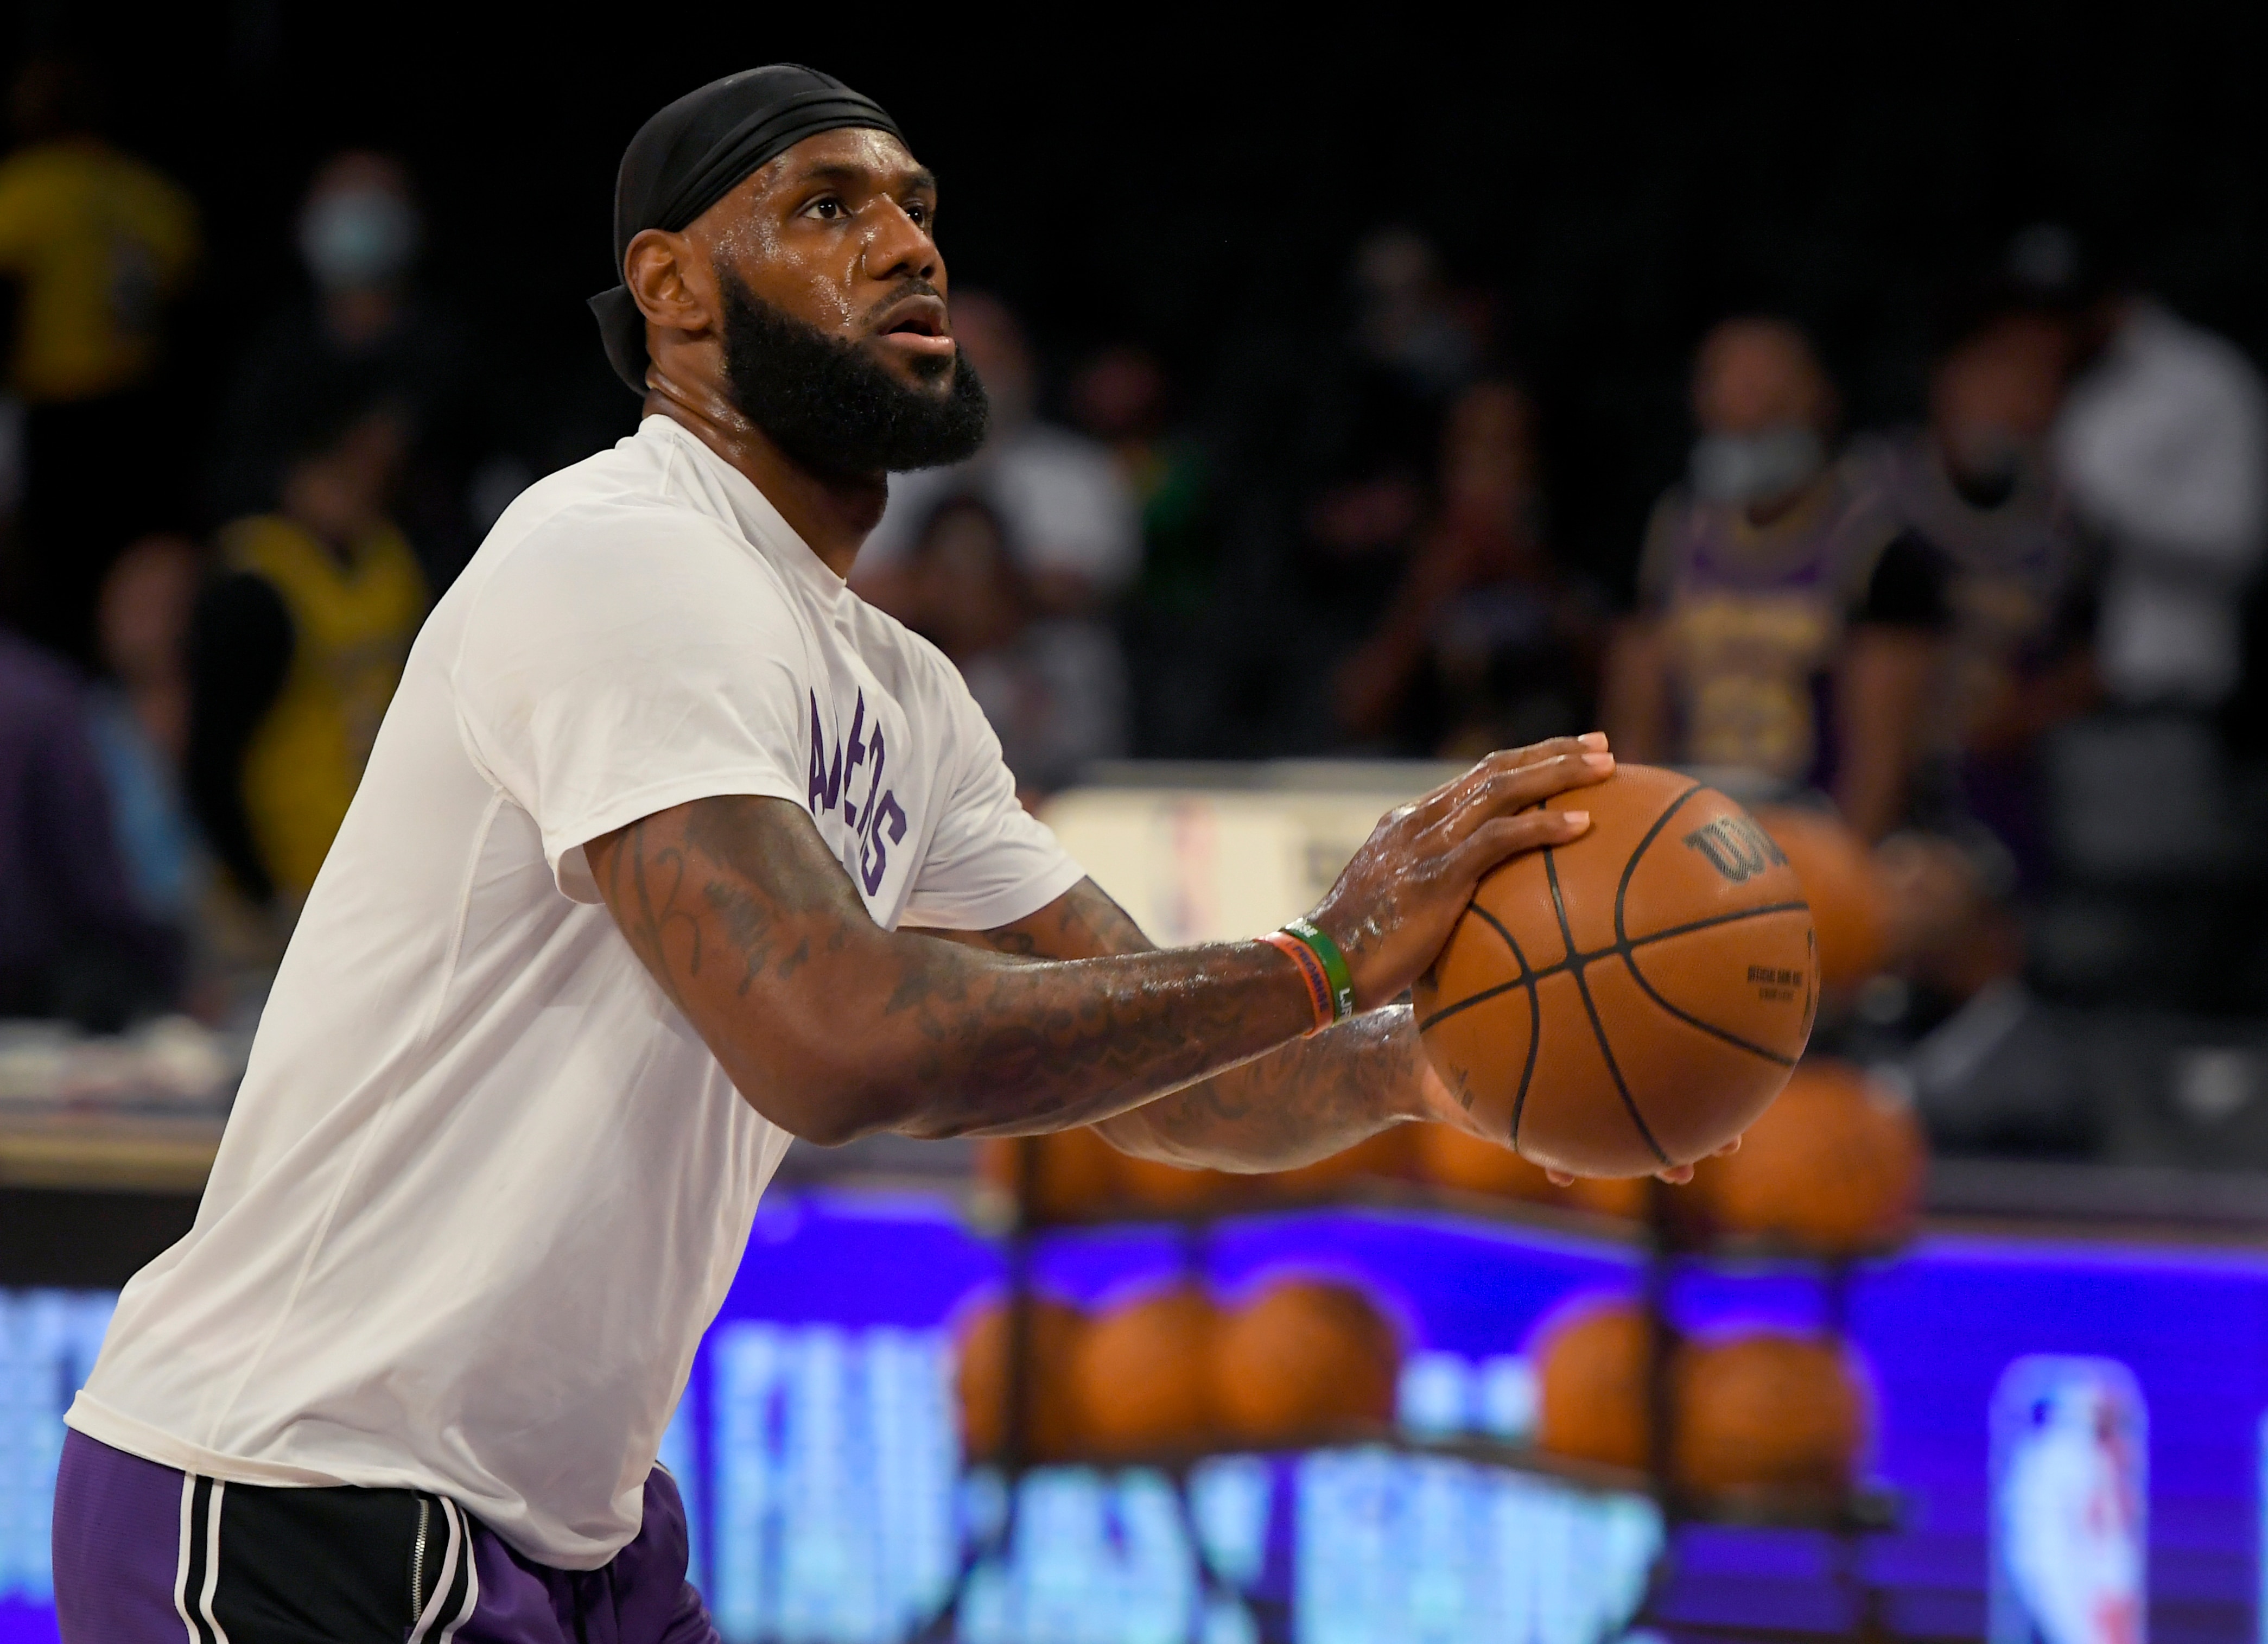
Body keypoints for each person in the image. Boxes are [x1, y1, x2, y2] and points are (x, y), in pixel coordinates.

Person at [48, 66, 1708, 1642]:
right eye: (831, 206)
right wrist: (1327, 950)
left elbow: (1171, 1078)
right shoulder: (616, 558)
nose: (909, 242)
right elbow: (834, 1042)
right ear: (675, 286)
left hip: (567, 1526)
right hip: (294, 1494)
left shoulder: (903, 691)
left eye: (916, 207)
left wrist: (1437, 1066)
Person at [1601, 317, 1948, 840]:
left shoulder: (1873, 547)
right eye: (1729, 382)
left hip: (1815, 822)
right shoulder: (1672, 531)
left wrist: (1834, 878)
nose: (1749, 402)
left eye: (1770, 387)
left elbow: (1881, 763)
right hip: (1692, 822)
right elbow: (1634, 725)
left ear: (1820, 398)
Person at [1850, 297, 2091, 886]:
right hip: (1861, 778)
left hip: (1994, 792)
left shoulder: (2067, 516)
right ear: (1945, 378)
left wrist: (2029, 711)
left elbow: (2095, 657)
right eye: (1997, 371)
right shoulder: (1870, 492)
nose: (2015, 397)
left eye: (2040, 378)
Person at [207, 151, 492, 593]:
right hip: (298, 592)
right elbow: (227, 474)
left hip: (436, 588)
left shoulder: (456, 347)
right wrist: (297, 489)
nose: (356, 213)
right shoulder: (275, 351)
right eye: (340, 197)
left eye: (374, 198)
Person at [186, 398, 427, 916]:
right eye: (333, 470)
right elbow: (211, 754)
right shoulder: (255, 586)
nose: (352, 486)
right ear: (295, 475)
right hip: (291, 875)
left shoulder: (392, 560)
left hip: (391, 863)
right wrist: (261, 891)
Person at [0, 56, 199, 665]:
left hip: (60, 411)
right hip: (141, 416)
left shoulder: (27, 188)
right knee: (124, 575)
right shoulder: (150, 195)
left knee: (52, 581)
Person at [1335, 379, 1603, 756]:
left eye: (1505, 449)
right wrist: (1428, 592)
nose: (1487, 471)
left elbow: (1613, 686)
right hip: (1418, 782)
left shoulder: (1571, 546)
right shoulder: (1404, 557)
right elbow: (1354, 711)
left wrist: (1533, 574)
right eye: (1472, 450)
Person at [850, 289, 1140, 618]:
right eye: (954, 361)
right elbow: (856, 587)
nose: (972, 381)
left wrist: (940, 586)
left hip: (1044, 665)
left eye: (989, 362)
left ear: (1022, 365)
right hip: (897, 662)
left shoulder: (1082, 470)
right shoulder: (867, 470)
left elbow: (1086, 585)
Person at [0, 625, 179, 1029]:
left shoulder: (37, 696)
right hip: (33, 996)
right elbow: (93, 873)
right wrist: (166, 969)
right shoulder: (39, 696)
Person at [901, 493, 1127, 798]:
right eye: (949, 572)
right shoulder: (893, 670)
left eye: (979, 566)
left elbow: (1095, 773)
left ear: (1006, 574)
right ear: (920, 578)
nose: (966, 591)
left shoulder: (1068, 663)